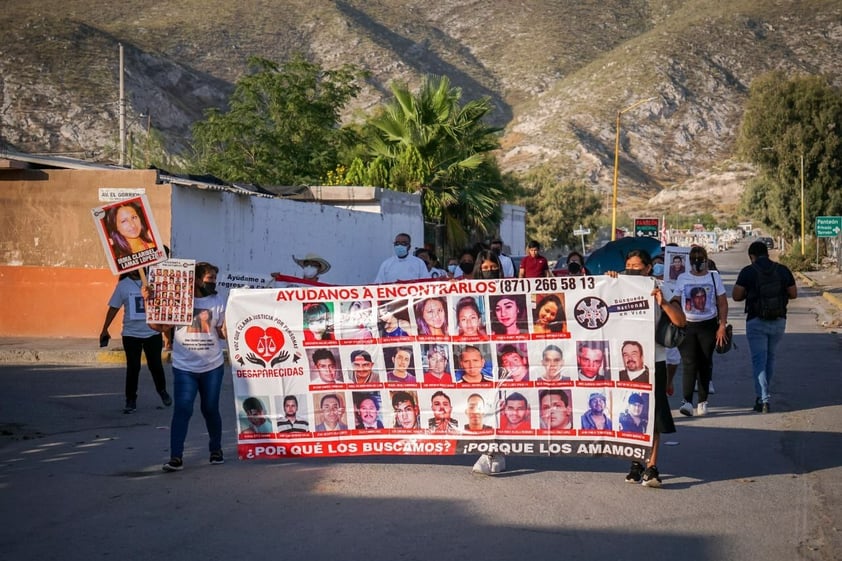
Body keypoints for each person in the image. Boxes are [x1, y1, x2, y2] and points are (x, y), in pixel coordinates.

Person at [613, 248, 683, 487]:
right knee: (629, 414)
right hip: (624, 364)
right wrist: (608, 283)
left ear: (648, 268)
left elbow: (680, 321)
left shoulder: (663, 288)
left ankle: (652, 467)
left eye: (637, 266)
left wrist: (662, 302)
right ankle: (635, 463)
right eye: (628, 266)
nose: (632, 270)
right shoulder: (618, 285)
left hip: (655, 362)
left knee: (653, 416)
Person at [152, 261, 227, 472]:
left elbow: (221, 331)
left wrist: (233, 327)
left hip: (212, 365)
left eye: (214, 278)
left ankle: (216, 450)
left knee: (210, 408)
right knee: (183, 409)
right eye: (210, 278)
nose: (213, 282)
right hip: (184, 366)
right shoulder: (179, 299)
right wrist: (150, 302)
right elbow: (159, 326)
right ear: (195, 279)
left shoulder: (218, 300)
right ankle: (176, 457)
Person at [732, 240, 797, 413]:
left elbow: (736, 296)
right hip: (778, 321)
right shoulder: (782, 270)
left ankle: (763, 399)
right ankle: (763, 395)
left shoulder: (748, 271)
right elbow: (793, 293)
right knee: (770, 358)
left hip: (756, 321)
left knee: (759, 361)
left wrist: (750, 293)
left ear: (751, 256)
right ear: (767, 253)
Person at [101, 269, 171, 414]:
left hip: (152, 332)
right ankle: (130, 399)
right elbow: (114, 307)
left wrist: (166, 334)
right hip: (130, 334)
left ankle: (162, 391)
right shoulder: (123, 285)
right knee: (133, 368)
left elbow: (164, 306)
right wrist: (105, 328)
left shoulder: (153, 281)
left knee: (156, 365)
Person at [675, 245, 728, 417]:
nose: (697, 264)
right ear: (689, 262)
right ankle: (687, 401)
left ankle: (703, 401)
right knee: (689, 363)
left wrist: (722, 326)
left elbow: (722, 302)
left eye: (700, 260)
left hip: (708, 325)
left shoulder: (714, 277)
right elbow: (676, 298)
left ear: (706, 261)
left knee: (705, 363)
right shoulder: (683, 277)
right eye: (694, 260)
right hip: (687, 326)